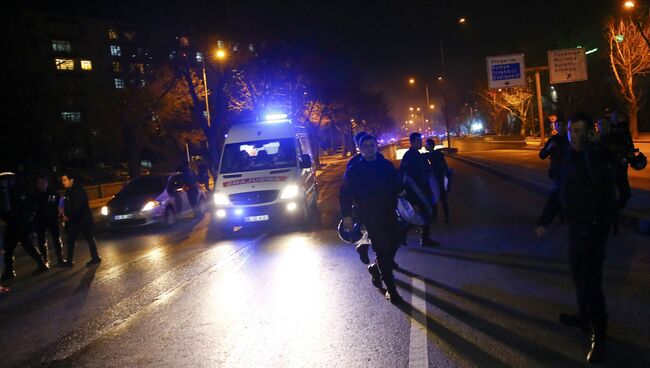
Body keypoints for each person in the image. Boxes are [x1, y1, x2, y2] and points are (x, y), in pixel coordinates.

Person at [537, 113, 614, 364]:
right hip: (573, 229)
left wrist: (591, 150)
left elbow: (606, 191)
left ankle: (600, 337)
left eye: (580, 131)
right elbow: (557, 192)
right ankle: (583, 318)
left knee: (592, 285)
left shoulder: (597, 157)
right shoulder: (566, 158)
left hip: (592, 232)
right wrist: (544, 220)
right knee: (578, 277)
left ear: (590, 132)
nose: (573, 136)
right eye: (571, 130)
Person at [340, 134, 403, 303]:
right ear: (360, 149)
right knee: (382, 249)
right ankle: (392, 290)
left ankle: (376, 267)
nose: (369, 148)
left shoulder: (385, 165)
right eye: (365, 146)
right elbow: (345, 193)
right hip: (369, 215)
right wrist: (346, 215)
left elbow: (398, 184)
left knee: (396, 241)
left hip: (389, 212)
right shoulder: (354, 169)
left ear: (376, 146)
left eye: (372, 145)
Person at [1, 172, 49, 281]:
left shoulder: (14, 192)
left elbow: (11, 209)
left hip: (18, 224)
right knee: (18, 247)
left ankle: (10, 271)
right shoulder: (12, 192)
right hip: (16, 224)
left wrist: (25, 221)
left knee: (15, 247)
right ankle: (40, 264)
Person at [399, 132, 439, 247]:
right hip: (416, 193)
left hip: (423, 190)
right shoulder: (409, 157)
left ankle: (424, 238)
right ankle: (404, 233)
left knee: (426, 215)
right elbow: (406, 179)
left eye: (420, 140)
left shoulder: (418, 155)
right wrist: (412, 200)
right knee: (420, 215)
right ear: (412, 142)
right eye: (417, 140)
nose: (420, 142)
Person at [60, 173, 101, 267]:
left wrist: (69, 216)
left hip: (83, 219)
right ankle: (70, 261)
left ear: (71, 180)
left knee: (89, 237)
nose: (63, 182)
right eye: (62, 180)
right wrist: (65, 214)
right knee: (71, 240)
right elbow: (68, 205)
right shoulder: (68, 191)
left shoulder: (78, 190)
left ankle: (95, 257)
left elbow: (79, 206)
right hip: (75, 220)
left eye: (65, 180)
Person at [536, 119, 568, 230]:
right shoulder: (553, 140)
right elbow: (542, 155)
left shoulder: (569, 138)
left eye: (562, 125)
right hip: (557, 173)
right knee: (557, 194)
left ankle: (562, 214)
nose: (560, 128)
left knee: (564, 195)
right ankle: (559, 215)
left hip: (569, 172)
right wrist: (549, 148)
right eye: (557, 126)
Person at [35, 176, 64, 266]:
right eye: (39, 183)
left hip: (52, 219)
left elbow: (60, 203)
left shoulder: (52, 192)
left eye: (43, 182)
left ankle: (60, 259)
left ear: (47, 183)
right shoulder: (35, 195)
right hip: (40, 220)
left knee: (57, 239)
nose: (41, 185)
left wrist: (60, 214)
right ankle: (45, 260)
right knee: (41, 241)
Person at [423, 138, 450, 223]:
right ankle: (445, 217)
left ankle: (436, 217)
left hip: (438, 179)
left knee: (436, 198)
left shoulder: (434, 154)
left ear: (431, 146)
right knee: (441, 199)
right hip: (438, 179)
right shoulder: (437, 154)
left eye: (426, 145)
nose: (425, 146)